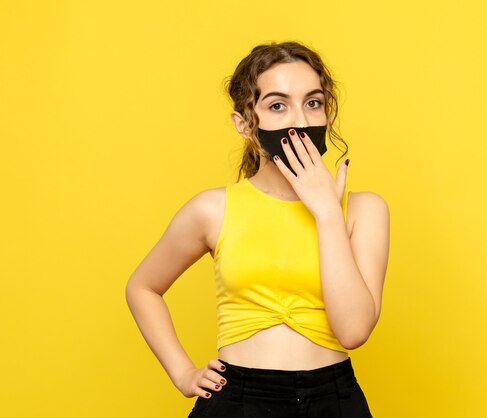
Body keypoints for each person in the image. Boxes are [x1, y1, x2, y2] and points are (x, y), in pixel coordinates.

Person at [125, 41, 390, 417]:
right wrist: (183, 373)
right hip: (238, 401)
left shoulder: (365, 210)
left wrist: (328, 212)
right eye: (278, 105)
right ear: (245, 124)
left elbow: (353, 331)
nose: (298, 120)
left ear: (327, 113)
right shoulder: (212, 209)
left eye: (312, 102)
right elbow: (142, 287)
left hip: (333, 400)